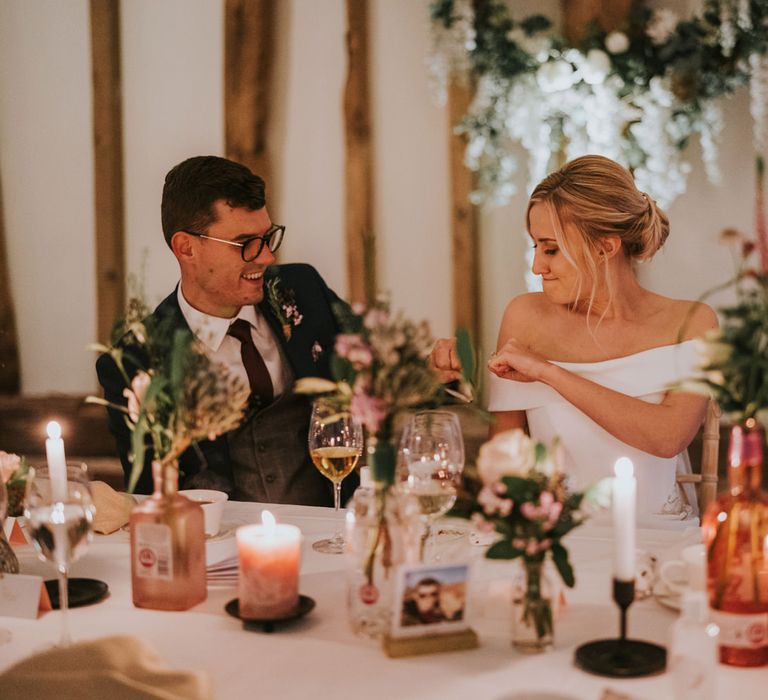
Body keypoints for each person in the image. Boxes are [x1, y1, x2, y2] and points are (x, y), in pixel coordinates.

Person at [431, 155, 717, 517]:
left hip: (658, 539)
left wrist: (549, 372)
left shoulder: (693, 322)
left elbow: (668, 438)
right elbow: (504, 465)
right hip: (552, 536)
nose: (538, 266)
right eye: (535, 246)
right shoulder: (525, 315)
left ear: (605, 247)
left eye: (551, 249)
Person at [96, 155, 358, 505]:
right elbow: (150, 497)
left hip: (333, 536)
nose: (266, 257)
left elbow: (380, 365)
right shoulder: (137, 361)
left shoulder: (303, 291)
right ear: (186, 247)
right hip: (221, 551)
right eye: (246, 243)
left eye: (268, 238)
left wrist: (434, 366)